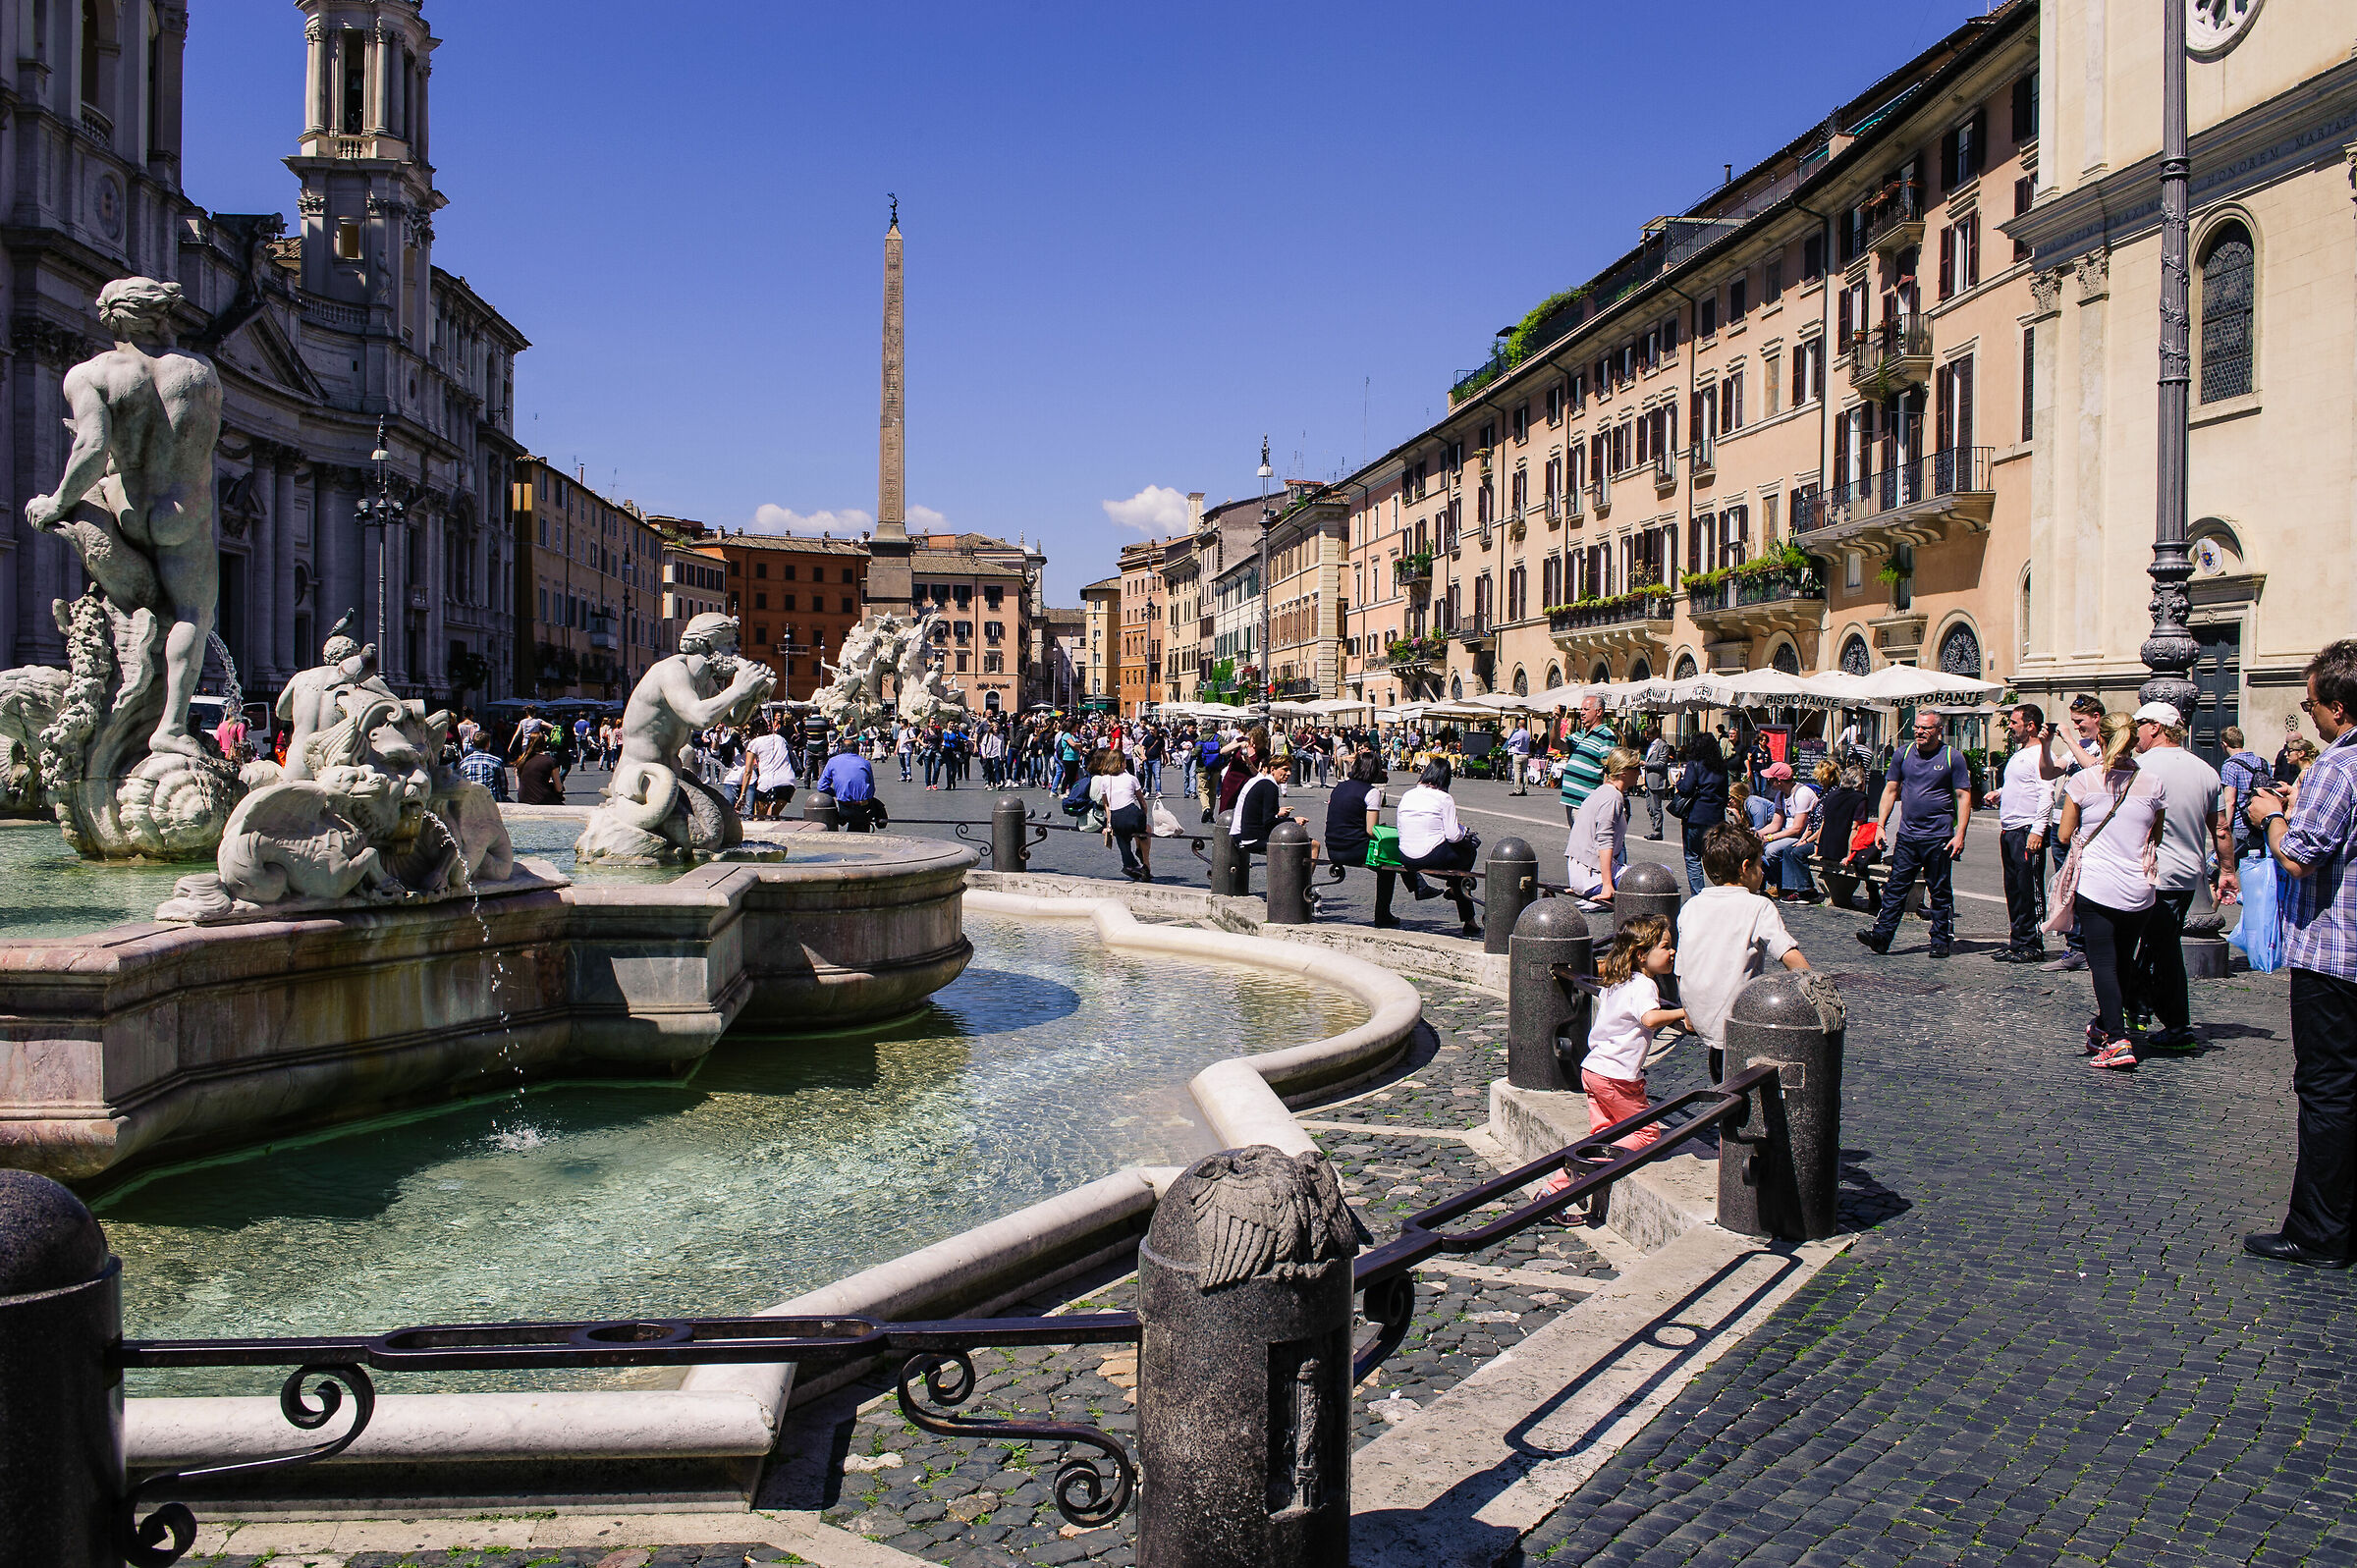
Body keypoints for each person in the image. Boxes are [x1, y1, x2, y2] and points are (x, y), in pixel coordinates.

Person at [2241, 640, 2357, 1267]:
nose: (2307, 713)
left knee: (2327, 1092)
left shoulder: (2341, 764)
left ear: (2337, 708)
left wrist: (2270, 816)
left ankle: (2319, 1231)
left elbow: (2297, 855)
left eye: (2311, 703)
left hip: (2336, 954)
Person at [2047, 713, 2167, 1071]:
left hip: (2098, 886)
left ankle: (2116, 1039)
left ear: (2101, 739)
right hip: (2139, 889)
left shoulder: (2084, 781)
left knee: (2103, 963)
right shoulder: (2152, 782)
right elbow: (2154, 836)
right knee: (2122, 961)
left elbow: (2065, 836)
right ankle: (2106, 1025)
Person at [2126, 700, 2232, 1054]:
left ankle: (2174, 1024)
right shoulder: (2206, 770)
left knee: (2159, 947)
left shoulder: (2139, 767)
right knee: (2159, 942)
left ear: (2155, 726)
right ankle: (2141, 1007)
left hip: (2151, 872)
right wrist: (2227, 870)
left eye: (2139, 724)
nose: (2135, 733)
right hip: (2188, 875)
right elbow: (2220, 827)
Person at [1676, 821, 1811, 1079]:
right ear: (1745, 868)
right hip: (1739, 1020)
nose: (1763, 873)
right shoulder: (1758, 906)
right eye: (1760, 865)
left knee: (1722, 1082)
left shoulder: (1692, 906)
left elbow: (1681, 967)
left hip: (1702, 1016)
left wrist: (1690, 1015)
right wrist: (1814, 986)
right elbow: (1786, 953)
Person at [1857, 710, 1973, 959]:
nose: (1920, 732)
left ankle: (1941, 939)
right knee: (1896, 887)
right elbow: (1890, 791)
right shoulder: (1903, 754)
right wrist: (1880, 825)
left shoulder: (1953, 757)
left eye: (1926, 728)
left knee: (1939, 889)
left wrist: (1960, 833)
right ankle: (1882, 936)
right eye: (1917, 728)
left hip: (1939, 836)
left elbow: (1964, 796)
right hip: (1908, 836)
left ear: (1939, 730)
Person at [1578, 915, 1687, 1151]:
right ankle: (1594, 1161)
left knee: (1604, 1132)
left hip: (1593, 1068)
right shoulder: (1645, 984)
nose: (1673, 952)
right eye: (1665, 946)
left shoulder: (1616, 981)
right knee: (1647, 1134)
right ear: (1641, 955)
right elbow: (1649, 1018)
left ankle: (1565, 1179)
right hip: (1617, 1075)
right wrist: (1683, 1013)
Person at [1994, 703, 2056, 962]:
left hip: (2027, 830)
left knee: (2029, 889)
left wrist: (2038, 831)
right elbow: (2019, 787)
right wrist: (1999, 794)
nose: (2009, 727)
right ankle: (2017, 941)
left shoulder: (2040, 754)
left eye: (2014, 723)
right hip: (2010, 830)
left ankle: (2032, 944)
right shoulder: (2020, 754)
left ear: (2030, 726)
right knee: (2014, 889)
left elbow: (2046, 795)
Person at [1396, 759, 1480, 938]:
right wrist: (1464, 831)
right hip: (1430, 856)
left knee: (1459, 869)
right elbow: (1453, 835)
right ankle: (1458, 892)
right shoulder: (1444, 798)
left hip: (1405, 856)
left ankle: (1462, 903)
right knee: (1469, 850)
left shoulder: (1407, 795)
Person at [1566, 748, 1641, 903]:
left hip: (1580, 873)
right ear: (1623, 772)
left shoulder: (1601, 791)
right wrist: (1607, 885)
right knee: (1659, 875)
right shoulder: (1612, 798)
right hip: (1592, 877)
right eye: (1636, 768)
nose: (1640, 773)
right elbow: (1604, 841)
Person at [1670, 731, 1731, 894]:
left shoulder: (1695, 764)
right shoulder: (1721, 766)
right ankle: (1722, 890)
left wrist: (1678, 782)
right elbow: (1725, 793)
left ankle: (1698, 893)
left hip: (1696, 815)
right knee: (1716, 855)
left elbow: (1686, 788)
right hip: (1716, 817)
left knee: (1692, 857)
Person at [1230, 751, 1297, 892]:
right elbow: (1268, 821)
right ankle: (1294, 890)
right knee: (1307, 846)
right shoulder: (1269, 786)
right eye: (1285, 769)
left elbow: (1265, 814)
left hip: (1247, 834)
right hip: (1251, 838)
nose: (1289, 773)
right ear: (1272, 769)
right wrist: (1293, 821)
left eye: (1290, 770)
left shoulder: (1263, 783)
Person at [1760, 762, 1821, 901]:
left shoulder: (1802, 794)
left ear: (1779, 781)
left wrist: (1769, 838)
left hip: (1804, 836)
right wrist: (1758, 833)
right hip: (1788, 832)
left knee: (1771, 850)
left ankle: (1786, 886)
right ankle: (1780, 884)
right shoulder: (1780, 796)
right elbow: (1776, 824)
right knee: (1761, 847)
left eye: (1770, 779)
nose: (1768, 782)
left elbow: (1797, 828)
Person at [1091, 749, 1152, 881]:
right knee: (1145, 830)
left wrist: (1109, 824)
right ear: (1121, 763)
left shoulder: (1104, 780)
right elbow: (1143, 802)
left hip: (1116, 817)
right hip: (1133, 815)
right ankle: (1145, 863)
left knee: (1121, 836)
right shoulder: (1131, 778)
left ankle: (1129, 864)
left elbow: (1107, 805)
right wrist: (1143, 816)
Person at [1557, 696, 1617, 830]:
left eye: (1586, 709)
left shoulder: (1607, 736)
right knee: (1577, 841)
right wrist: (1556, 721)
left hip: (1586, 802)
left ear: (1599, 712)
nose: (1581, 713)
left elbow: (1610, 770)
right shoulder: (1579, 734)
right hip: (1572, 800)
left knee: (1587, 843)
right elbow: (1556, 744)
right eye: (1581, 709)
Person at [1815, 764, 1869, 909]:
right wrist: (1849, 855)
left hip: (1826, 848)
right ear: (1860, 782)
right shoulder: (1860, 798)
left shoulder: (1831, 795)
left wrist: (1818, 847)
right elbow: (1855, 827)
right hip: (1842, 849)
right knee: (1872, 854)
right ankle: (1875, 897)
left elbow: (1824, 822)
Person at [2220, 725, 2272, 870]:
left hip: (2240, 825)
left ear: (2224, 744)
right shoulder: (2263, 762)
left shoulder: (2230, 766)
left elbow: (2230, 801)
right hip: (2261, 824)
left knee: (2219, 869)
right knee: (2255, 869)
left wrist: (2224, 828)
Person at [737, 713, 797, 819]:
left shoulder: (754, 743)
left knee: (760, 817)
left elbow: (748, 772)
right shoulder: (779, 738)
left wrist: (743, 795)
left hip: (767, 783)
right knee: (774, 815)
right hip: (788, 782)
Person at [516, 733, 565, 804]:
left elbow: (518, 786)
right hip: (541, 798)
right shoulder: (550, 761)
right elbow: (558, 788)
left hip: (523, 798)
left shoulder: (521, 760)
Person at [1642, 730, 1673, 839]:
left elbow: (1661, 763)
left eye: (1648, 735)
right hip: (1649, 781)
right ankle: (1653, 828)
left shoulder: (1662, 746)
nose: (1647, 738)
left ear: (1655, 734)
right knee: (1650, 807)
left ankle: (1657, 831)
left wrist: (1646, 764)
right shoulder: (1651, 745)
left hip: (1657, 781)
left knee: (1656, 807)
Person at [459, 734, 508, 802]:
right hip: (491, 800)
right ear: (488, 744)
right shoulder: (496, 761)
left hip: (470, 800)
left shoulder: (464, 762)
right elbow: (503, 787)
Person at [1506, 718, 1533, 796]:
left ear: (1519, 724)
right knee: (1525, 772)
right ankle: (1525, 789)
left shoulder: (1518, 733)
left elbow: (1510, 742)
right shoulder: (1527, 733)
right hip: (1526, 754)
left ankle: (1517, 790)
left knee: (1517, 773)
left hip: (1518, 754)